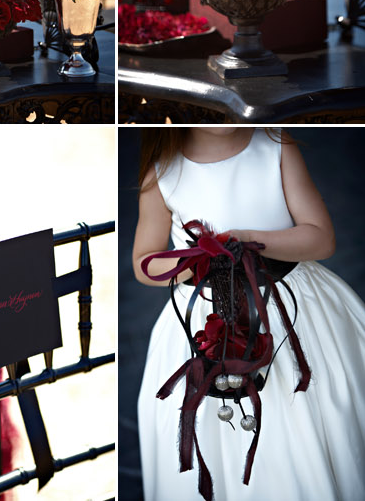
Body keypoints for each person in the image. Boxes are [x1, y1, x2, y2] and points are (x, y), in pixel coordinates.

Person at [134, 127, 365, 501]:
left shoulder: (274, 143)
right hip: (206, 322)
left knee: (300, 424)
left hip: (290, 309)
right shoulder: (162, 170)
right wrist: (198, 259)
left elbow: (322, 238)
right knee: (214, 435)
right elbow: (144, 263)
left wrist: (244, 239)